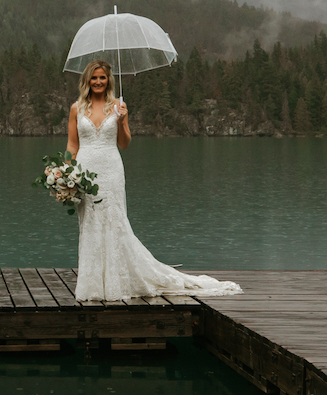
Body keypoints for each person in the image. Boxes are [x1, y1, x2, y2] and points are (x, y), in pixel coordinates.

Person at [66, 60, 241, 302]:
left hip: (111, 170)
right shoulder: (76, 108)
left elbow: (124, 143)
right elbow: (72, 145)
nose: (98, 82)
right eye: (94, 78)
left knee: (114, 221)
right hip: (84, 172)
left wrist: (123, 121)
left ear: (109, 81)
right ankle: (93, 285)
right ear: (87, 80)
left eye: (102, 78)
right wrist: (66, 174)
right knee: (90, 224)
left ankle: (116, 283)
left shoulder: (118, 106)